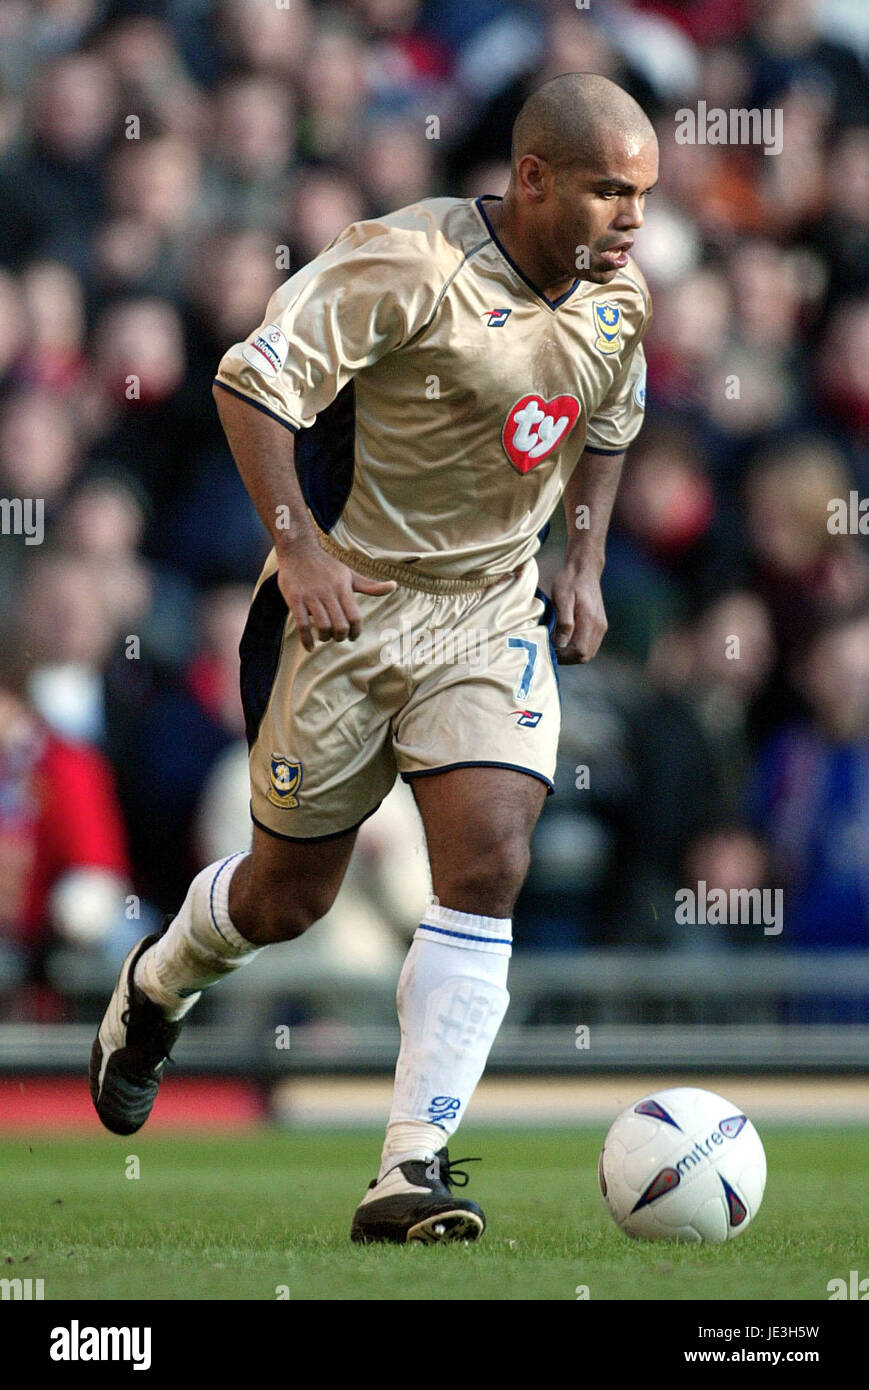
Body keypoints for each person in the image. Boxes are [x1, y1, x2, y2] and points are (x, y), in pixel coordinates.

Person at [90, 71, 658, 1244]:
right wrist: (295, 549)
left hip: (486, 611)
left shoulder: (618, 301)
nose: (634, 219)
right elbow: (252, 383)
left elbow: (607, 421)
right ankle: (154, 987)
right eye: (611, 191)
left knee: (489, 859)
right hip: (346, 606)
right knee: (287, 897)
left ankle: (409, 1166)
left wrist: (584, 561)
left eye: (644, 193)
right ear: (534, 177)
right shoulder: (406, 261)